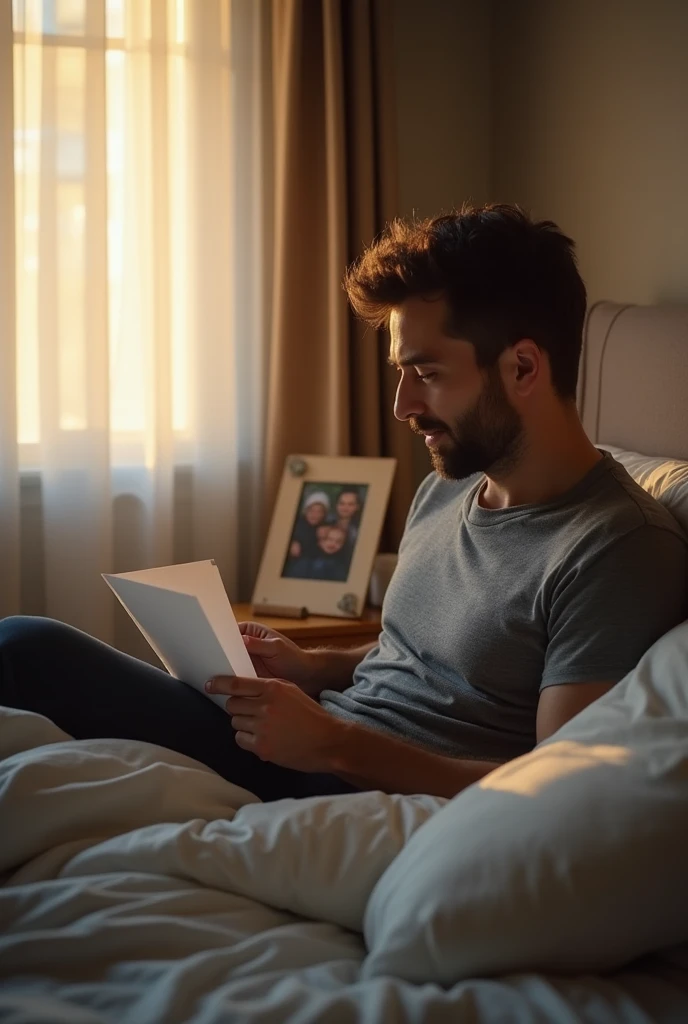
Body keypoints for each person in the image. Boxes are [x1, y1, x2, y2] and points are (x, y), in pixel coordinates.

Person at [2, 203, 687, 804]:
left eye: (426, 374)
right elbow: (432, 655)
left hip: (347, 784)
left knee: (25, 651)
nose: (402, 407)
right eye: (400, 373)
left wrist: (334, 747)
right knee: (26, 648)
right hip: (312, 740)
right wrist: (315, 667)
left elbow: (559, 789)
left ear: (524, 368)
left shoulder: (617, 550)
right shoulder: (449, 486)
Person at [281, 490, 330, 577]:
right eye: (311, 510)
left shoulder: (327, 527)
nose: (314, 514)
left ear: (324, 514)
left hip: (315, 565)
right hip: (295, 564)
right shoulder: (296, 523)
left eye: (319, 512)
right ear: (305, 511)